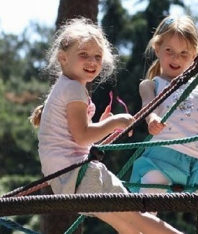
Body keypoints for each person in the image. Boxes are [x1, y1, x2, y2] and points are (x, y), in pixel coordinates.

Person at [29, 17, 182, 234]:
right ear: (63, 58)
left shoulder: (63, 87)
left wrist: (99, 126)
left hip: (66, 181)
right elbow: (82, 137)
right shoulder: (73, 89)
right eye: (84, 55)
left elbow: (75, 138)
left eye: (97, 57)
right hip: (79, 174)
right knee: (138, 216)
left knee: (125, 226)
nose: (92, 61)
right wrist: (114, 121)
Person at [130, 15, 198, 195]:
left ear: (194, 55)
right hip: (164, 155)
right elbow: (149, 106)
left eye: (183, 53)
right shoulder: (151, 84)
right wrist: (153, 119)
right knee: (152, 183)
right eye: (169, 50)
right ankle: (144, 222)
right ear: (157, 49)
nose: (176, 58)